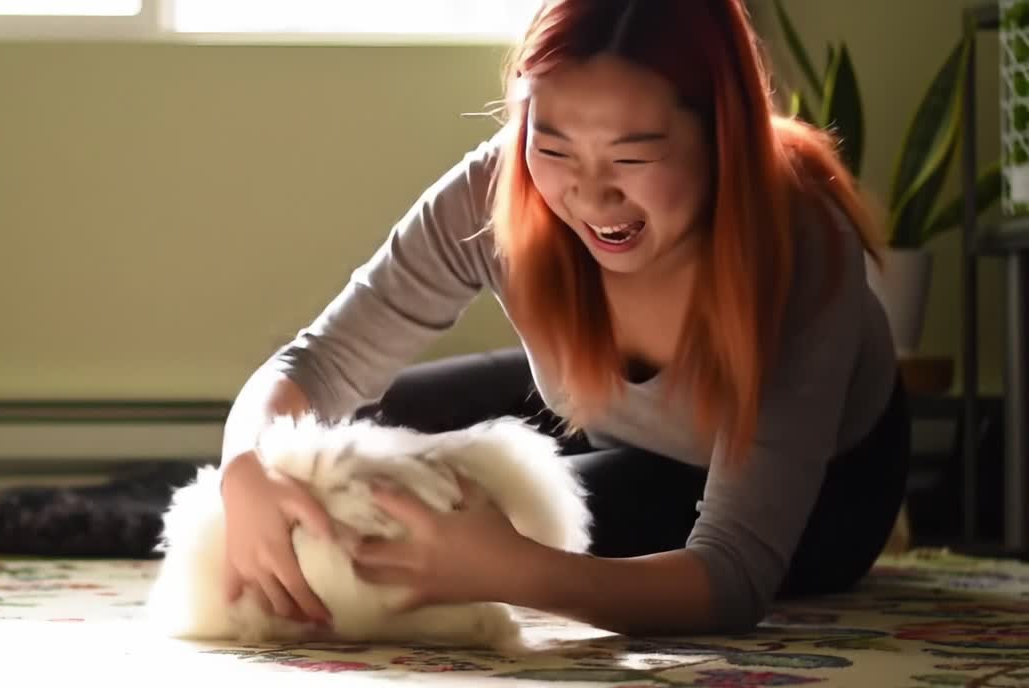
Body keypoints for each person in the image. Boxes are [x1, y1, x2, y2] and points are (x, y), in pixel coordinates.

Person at [215, 0, 910, 637]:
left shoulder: (799, 244)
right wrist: (245, 464)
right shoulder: (496, 189)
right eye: (553, 150)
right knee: (342, 453)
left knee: (457, 527)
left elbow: (733, 575)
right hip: (603, 405)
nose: (591, 194)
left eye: (633, 157)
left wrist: (510, 571)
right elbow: (318, 364)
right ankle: (142, 505)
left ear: (723, 137)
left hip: (825, 489)